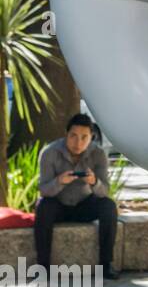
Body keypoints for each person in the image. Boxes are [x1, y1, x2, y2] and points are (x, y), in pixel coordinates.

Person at [35, 113, 118, 278]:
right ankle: (43, 268)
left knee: (108, 206)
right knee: (43, 206)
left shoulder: (98, 154)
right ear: (66, 134)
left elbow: (104, 191)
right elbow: (44, 190)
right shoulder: (50, 153)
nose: (78, 142)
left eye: (84, 137)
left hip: (84, 204)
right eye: (73, 136)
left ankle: (106, 265)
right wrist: (60, 181)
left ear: (91, 137)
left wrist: (94, 182)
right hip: (58, 205)